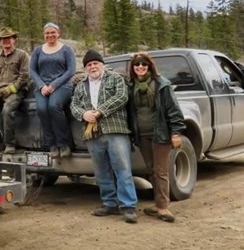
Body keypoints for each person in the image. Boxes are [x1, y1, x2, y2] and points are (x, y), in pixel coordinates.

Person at [71, 49, 139, 224]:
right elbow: (74, 106)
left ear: (101, 64)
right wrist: (84, 114)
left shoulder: (115, 78)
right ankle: (109, 203)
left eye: (95, 63)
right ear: (85, 68)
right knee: (101, 170)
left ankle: (128, 206)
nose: (92, 67)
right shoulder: (81, 85)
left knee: (122, 168)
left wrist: (101, 111)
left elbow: (122, 97)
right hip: (92, 132)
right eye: (89, 65)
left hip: (115, 130)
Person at [127, 52, 185, 223]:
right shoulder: (130, 87)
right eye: (137, 65)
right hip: (142, 135)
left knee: (161, 170)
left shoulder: (162, 85)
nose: (140, 67)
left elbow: (174, 111)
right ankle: (157, 203)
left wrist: (176, 132)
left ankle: (163, 207)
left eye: (144, 64)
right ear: (133, 68)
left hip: (160, 133)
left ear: (149, 66)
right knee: (151, 170)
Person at [29, 22, 76, 158]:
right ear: (44, 35)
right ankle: (52, 145)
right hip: (42, 87)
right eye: (47, 33)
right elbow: (32, 70)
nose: (50, 35)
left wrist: (53, 85)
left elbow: (71, 70)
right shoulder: (38, 50)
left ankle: (64, 144)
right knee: (42, 109)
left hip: (62, 85)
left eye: (53, 32)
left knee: (53, 106)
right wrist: (42, 86)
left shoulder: (67, 50)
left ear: (58, 33)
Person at [0, 28, 30, 154]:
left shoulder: (22, 55)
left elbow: (24, 76)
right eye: (3, 39)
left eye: (9, 38)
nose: (6, 41)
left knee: (7, 111)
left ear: (14, 40)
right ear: (0, 42)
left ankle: (10, 144)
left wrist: (11, 89)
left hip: (16, 91)